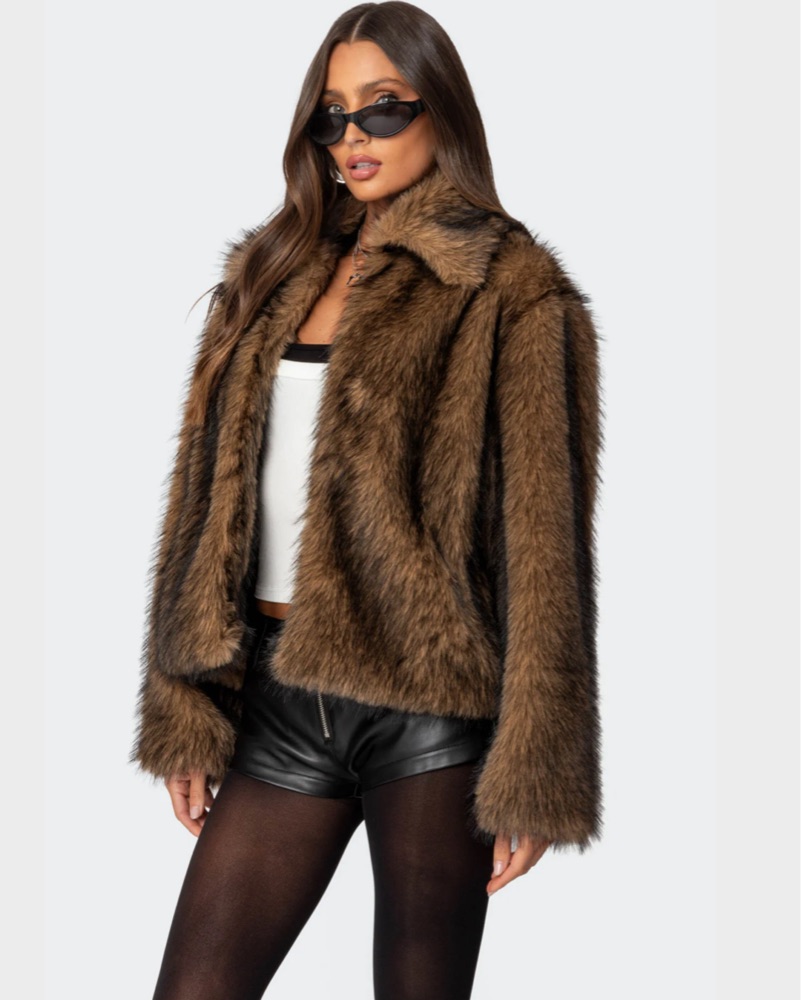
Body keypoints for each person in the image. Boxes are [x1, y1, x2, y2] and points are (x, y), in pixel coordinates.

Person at [129, 2, 605, 997]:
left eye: (384, 108)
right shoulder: (270, 272)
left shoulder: (511, 287)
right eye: (332, 115)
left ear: (443, 113)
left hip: (429, 707)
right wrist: (186, 702)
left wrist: (537, 765)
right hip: (275, 699)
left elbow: (543, 546)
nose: (353, 136)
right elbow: (201, 509)